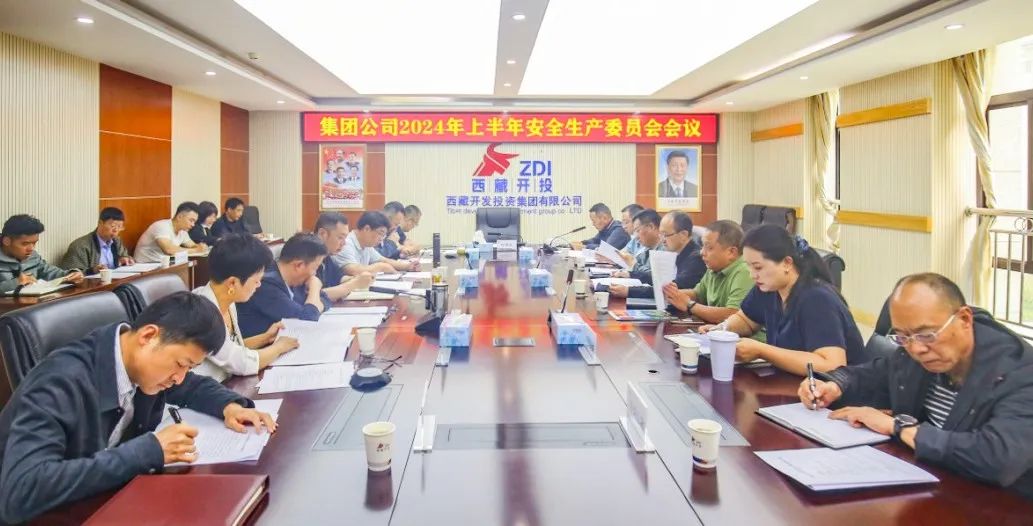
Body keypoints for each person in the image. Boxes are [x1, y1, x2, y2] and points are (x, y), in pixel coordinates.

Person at [0, 292, 276, 524]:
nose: (180, 377)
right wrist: (148, 451)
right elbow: (21, 492)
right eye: (181, 364)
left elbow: (190, 386)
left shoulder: (140, 363)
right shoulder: (60, 382)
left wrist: (230, 405)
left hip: (109, 501)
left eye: (189, 367)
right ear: (148, 336)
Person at [799, 273, 1033, 500]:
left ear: (964, 319)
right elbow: (878, 374)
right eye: (902, 337)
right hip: (930, 488)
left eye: (927, 335)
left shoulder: (1021, 372)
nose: (916, 349)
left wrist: (900, 427)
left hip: (1001, 505)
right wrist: (834, 384)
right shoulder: (915, 351)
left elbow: (998, 459)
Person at [700, 224, 867, 374]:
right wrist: (722, 329)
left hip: (835, 393)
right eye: (749, 267)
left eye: (758, 267)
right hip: (793, 385)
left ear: (787, 263)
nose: (752, 275)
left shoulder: (817, 299)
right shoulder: (768, 287)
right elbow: (746, 320)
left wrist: (762, 351)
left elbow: (831, 365)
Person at [192, 234, 300, 381]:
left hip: (226, 381)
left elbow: (232, 348)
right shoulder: (203, 313)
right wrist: (279, 347)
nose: (259, 285)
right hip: (205, 389)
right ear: (232, 283)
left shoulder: (227, 301)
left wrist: (265, 338)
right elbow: (241, 364)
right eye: (256, 281)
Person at [663, 221, 762, 332]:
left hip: (746, 338)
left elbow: (732, 315)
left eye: (709, 248)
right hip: (717, 331)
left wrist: (690, 305)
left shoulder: (745, 271)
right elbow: (697, 294)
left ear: (731, 252)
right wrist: (672, 294)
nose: (702, 252)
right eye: (702, 246)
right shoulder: (713, 268)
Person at [236, 233, 328, 338]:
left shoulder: (295, 279)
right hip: (258, 346)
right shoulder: (265, 285)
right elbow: (307, 321)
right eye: (315, 268)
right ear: (299, 265)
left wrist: (313, 303)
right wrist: (315, 289)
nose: (314, 275)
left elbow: (325, 298)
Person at [609, 211, 705, 300]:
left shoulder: (695, 259)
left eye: (666, 235)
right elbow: (660, 279)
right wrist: (631, 274)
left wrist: (629, 291)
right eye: (661, 234)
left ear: (683, 234)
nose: (662, 240)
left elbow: (670, 289)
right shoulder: (677, 253)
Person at [0, 214, 84, 293]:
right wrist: (15, 283)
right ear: (6, 241)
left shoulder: (32, 256)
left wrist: (71, 274)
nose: (31, 249)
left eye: (34, 243)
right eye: (25, 244)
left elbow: (48, 271)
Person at [313, 212, 374, 303]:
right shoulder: (307, 256)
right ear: (322, 234)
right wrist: (354, 284)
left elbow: (339, 278)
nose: (344, 243)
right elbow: (315, 296)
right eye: (340, 237)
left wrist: (360, 279)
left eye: (345, 238)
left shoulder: (326, 256)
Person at [335, 211, 419, 276]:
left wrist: (407, 266)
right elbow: (352, 270)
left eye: (383, 235)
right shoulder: (346, 243)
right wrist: (380, 267)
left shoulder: (366, 244)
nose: (381, 239)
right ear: (367, 229)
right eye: (380, 233)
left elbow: (383, 260)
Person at [60, 207, 135, 274]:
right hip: (92, 284)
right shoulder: (80, 246)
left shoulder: (116, 241)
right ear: (100, 223)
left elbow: (125, 256)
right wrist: (92, 270)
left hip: (115, 281)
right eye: (113, 226)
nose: (116, 230)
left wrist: (126, 259)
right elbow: (71, 274)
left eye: (119, 227)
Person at [134, 202, 207, 263]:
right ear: (179, 217)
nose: (193, 225)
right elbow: (169, 250)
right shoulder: (162, 226)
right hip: (144, 266)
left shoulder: (182, 231)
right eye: (191, 220)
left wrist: (201, 247)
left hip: (162, 265)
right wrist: (195, 250)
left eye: (194, 222)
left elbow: (193, 245)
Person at [609, 208, 663, 281]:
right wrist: (625, 273)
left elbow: (655, 277)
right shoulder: (646, 249)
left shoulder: (666, 248)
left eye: (638, 230)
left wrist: (633, 264)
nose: (636, 237)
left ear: (651, 227)